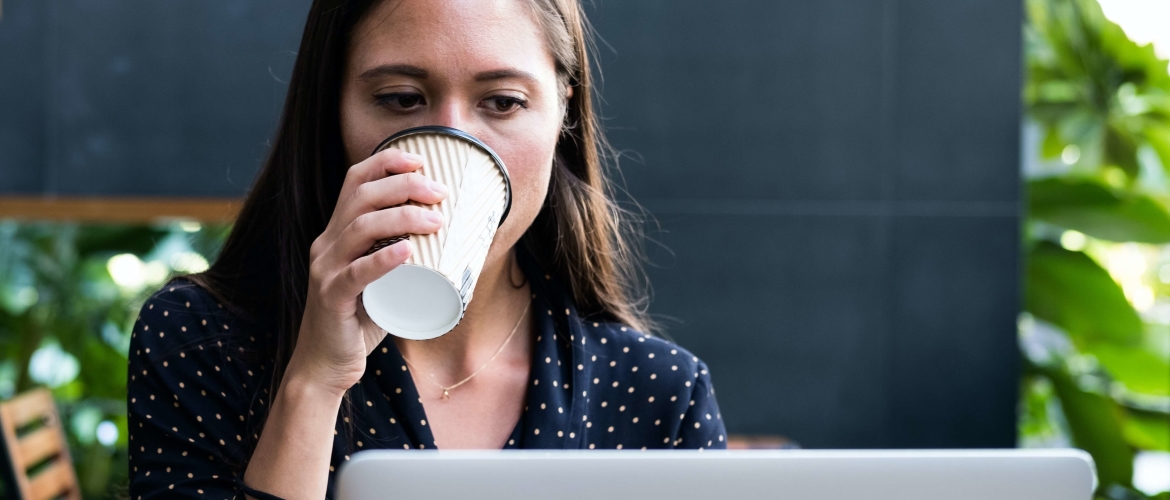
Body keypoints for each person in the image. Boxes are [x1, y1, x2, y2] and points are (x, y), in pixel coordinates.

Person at [126, 0, 726, 498]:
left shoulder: (658, 395)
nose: (455, 144)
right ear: (334, 109)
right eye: (402, 99)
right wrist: (313, 383)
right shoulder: (201, 342)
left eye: (502, 102)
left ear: (563, 110)